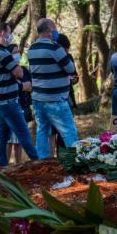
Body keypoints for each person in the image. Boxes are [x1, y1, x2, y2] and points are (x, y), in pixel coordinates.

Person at [27, 18, 78, 159]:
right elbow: (70, 68)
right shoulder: (55, 48)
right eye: (54, 29)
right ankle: (74, 161)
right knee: (68, 131)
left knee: (42, 131)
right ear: (49, 31)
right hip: (55, 99)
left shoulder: (32, 48)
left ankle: (43, 160)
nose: (56, 32)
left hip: (38, 98)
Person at [0, 23, 38, 168]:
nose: (11, 36)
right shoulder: (2, 53)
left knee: (3, 134)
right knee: (23, 132)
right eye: (10, 33)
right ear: (3, 33)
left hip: (0, 100)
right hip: (8, 101)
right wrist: (22, 85)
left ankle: (1, 164)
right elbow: (20, 73)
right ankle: (36, 161)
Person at [48, 33, 79, 156]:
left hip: (67, 97)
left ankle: (64, 155)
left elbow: (75, 76)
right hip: (52, 98)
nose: (66, 52)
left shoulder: (69, 57)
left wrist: (73, 79)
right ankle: (50, 157)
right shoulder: (50, 57)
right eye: (65, 49)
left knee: (65, 130)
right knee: (51, 130)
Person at [6, 43, 33, 164]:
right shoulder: (6, 71)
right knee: (9, 140)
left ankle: (18, 163)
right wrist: (23, 87)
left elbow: (31, 86)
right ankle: (5, 165)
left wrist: (20, 87)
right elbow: (10, 89)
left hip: (23, 107)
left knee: (19, 140)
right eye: (14, 52)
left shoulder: (25, 70)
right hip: (10, 107)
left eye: (18, 52)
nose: (18, 54)